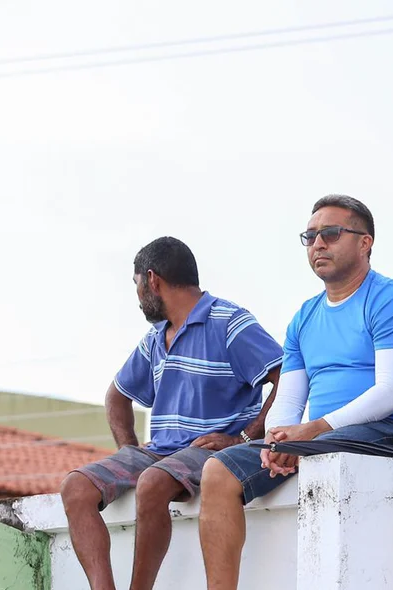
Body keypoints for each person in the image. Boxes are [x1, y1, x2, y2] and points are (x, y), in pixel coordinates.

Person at [198, 195, 393, 590]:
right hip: (322, 438)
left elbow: (392, 392)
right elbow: (288, 400)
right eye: (310, 236)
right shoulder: (304, 317)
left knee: (313, 448)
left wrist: (312, 432)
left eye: (331, 233)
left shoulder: (391, 299)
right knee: (217, 471)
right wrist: (279, 438)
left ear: (364, 242)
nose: (318, 244)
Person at [58, 237, 284, 590]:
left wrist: (244, 437)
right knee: (75, 487)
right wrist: (128, 451)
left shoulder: (229, 322)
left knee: (151, 483)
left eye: (136, 285)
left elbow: (285, 376)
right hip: (159, 450)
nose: (137, 298)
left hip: (208, 451)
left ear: (152, 280)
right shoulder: (154, 337)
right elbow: (116, 397)